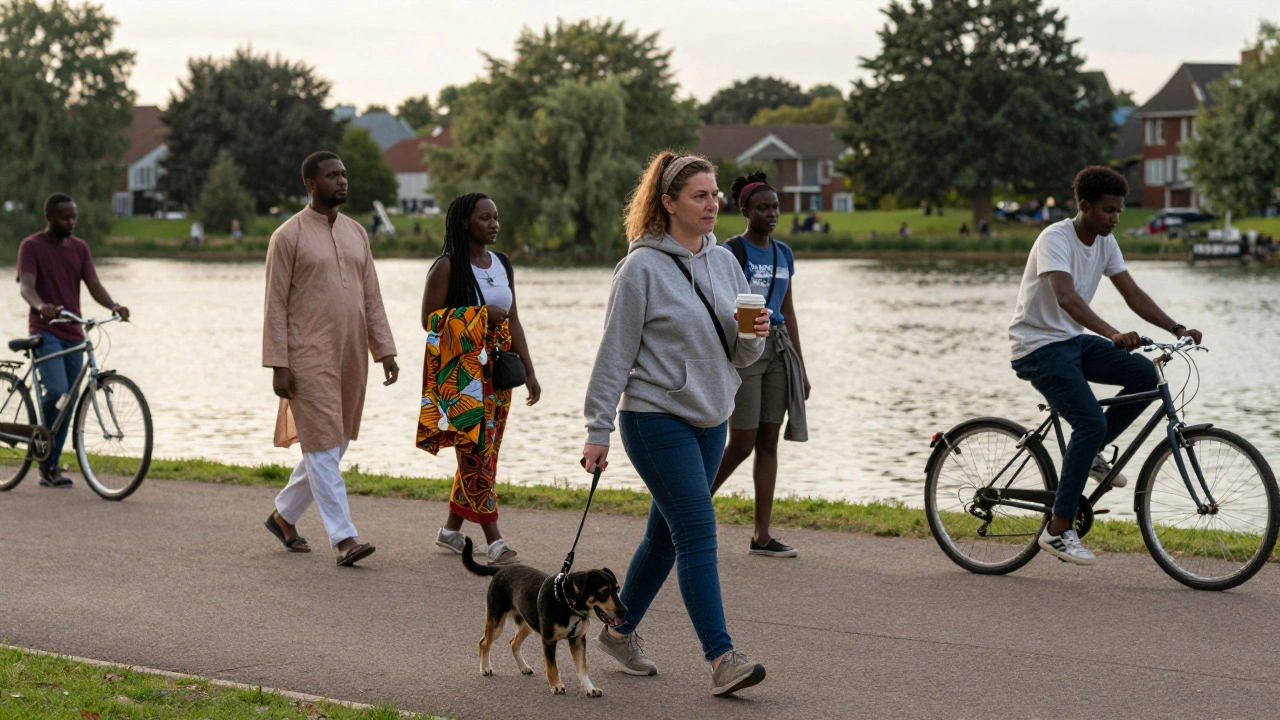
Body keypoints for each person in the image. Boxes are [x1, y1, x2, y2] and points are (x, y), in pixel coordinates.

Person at [583, 152, 771, 697]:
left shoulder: (726, 263)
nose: (713, 204)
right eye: (700, 196)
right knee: (697, 531)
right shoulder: (640, 268)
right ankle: (722, 658)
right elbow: (613, 355)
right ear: (668, 203)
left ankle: (618, 631)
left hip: (712, 415)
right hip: (653, 416)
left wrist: (755, 333)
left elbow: (742, 355)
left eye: (715, 195)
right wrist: (598, 429)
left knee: (664, 536)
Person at [1009, 166, 1202, 566]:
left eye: (1119, 210)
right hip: (1037, 346)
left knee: (1143, 374)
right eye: (1109, 210)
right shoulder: (1055, 239)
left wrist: (1176, 326)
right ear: (1085, 207)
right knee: (1091, 421)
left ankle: (1091, 454)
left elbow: (1133, 294)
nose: (1115, 218)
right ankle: (1058, 529)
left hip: (1071, 342)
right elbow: (1066, 298)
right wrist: (1113, 333)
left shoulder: (1105, 243)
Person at [262, 151, 399, 567]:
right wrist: (278, 363)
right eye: (331, 176)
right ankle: (344, 539)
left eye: (344, 174)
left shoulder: (358, 233)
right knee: (322, 446)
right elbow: (274, 305)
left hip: (351, 353)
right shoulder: (288, 236)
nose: (341, 181)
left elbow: (371, 295)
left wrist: (385, 348)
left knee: (334, 442)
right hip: (307, 355)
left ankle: (283, 516)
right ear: (310, 183)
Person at [418, 193, 541, 566]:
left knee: (485, 452)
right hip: (463, 373)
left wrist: (530, 370)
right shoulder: (447, 266)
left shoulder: (502, 263)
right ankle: (495, 541)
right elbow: (429, 321)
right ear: (464, 223)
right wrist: (480, 315)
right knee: (475, 451)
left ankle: (451, 532)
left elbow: (514, 319)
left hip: (499, 369)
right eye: (485, 218)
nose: (494, 224)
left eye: (496, 217)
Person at [710, 172, 810, 558]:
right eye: (763, 208)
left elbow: (788, 309)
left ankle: (762, 536)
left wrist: (799, 366)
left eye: (775, 207)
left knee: (769, 442)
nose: (771, 214)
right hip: (746, 350)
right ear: (745, 210)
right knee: (742, 442)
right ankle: (685, 514)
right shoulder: (732, 252)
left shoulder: (784, 253)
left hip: (778, 352)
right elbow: (723, 306)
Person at [16, 193, 131, 488]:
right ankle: (39, 435)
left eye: (73, 217)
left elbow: (94, 285)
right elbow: (26, 287)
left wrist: (114, 307)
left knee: (67, 403)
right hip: (45, 332)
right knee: (57, 391)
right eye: (65, 217)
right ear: (49, 217)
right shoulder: (32, 246)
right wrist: (41, 305)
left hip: (73, 334)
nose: (71, 222)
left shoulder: (79, 248)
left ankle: (50, 466)